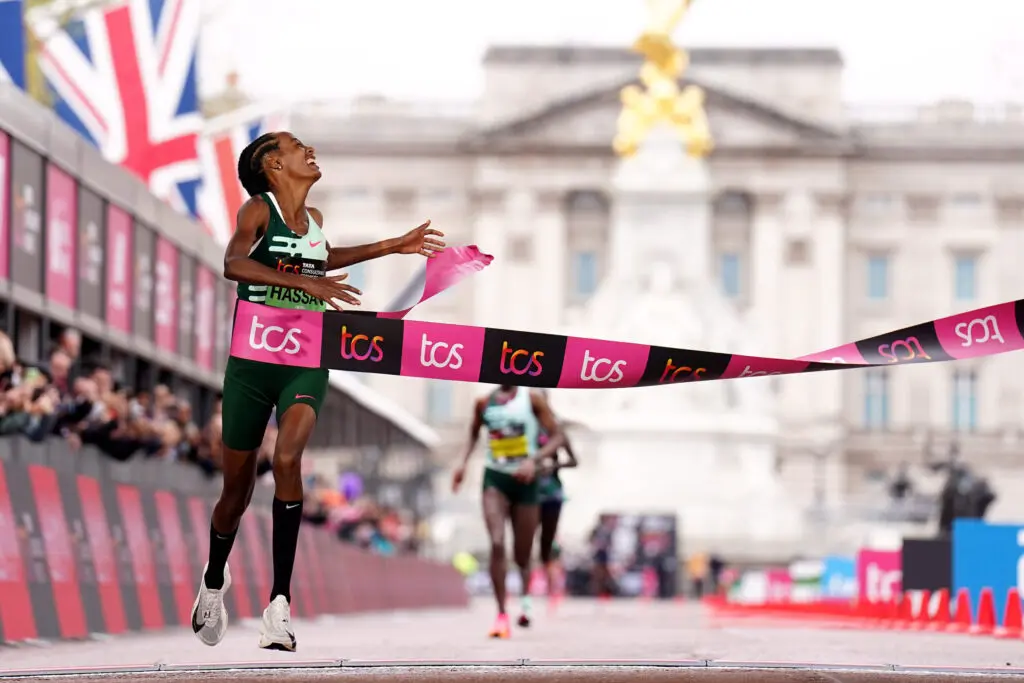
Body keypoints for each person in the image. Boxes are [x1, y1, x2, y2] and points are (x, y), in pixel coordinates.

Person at [190, 131, 445, 652]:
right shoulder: (257, 212)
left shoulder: (316, 223)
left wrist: (393, 245)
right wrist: (305, 283)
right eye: (294, 146)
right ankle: (215, 576)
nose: (308, 150)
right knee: (234, 495)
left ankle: (278, 606)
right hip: (253, 361)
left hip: (305, 358)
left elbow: (322, 260)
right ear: (271, 165)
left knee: (288, 460)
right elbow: (233, 264)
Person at [452, 384, 565, 639]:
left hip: (526, 482)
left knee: (522, 553)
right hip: (495, 480)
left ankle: (525, 602)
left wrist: (533, 461)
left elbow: (558, 436)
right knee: (497, 542)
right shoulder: (483, 403)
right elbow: (472, 435)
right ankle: (501, 614)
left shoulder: (533, 399)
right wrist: (462, 464)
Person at [534, 400, 577, 610]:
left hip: (551, 491)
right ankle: (540, 581)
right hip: (530, 490)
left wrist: (553, 465)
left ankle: (552, 584)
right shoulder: (526, 428)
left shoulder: (558, 433)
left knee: (548, 540)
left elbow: (574, 461)